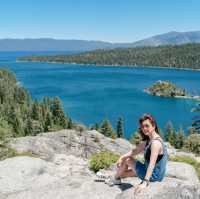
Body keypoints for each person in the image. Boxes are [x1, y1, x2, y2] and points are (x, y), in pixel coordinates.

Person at [104, 113, 168, 194]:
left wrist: (145, 182)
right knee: (122, 173)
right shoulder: (151, 140)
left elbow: (152, 164)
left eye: (147, 126)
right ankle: (117, 176)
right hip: (155, 174)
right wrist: (122, 157)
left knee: (128, 160)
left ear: (153, 125)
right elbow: (135, 150)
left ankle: (115, 179)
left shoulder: (155, 143)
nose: (144, 128)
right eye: (142, 126)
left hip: (153, 177)